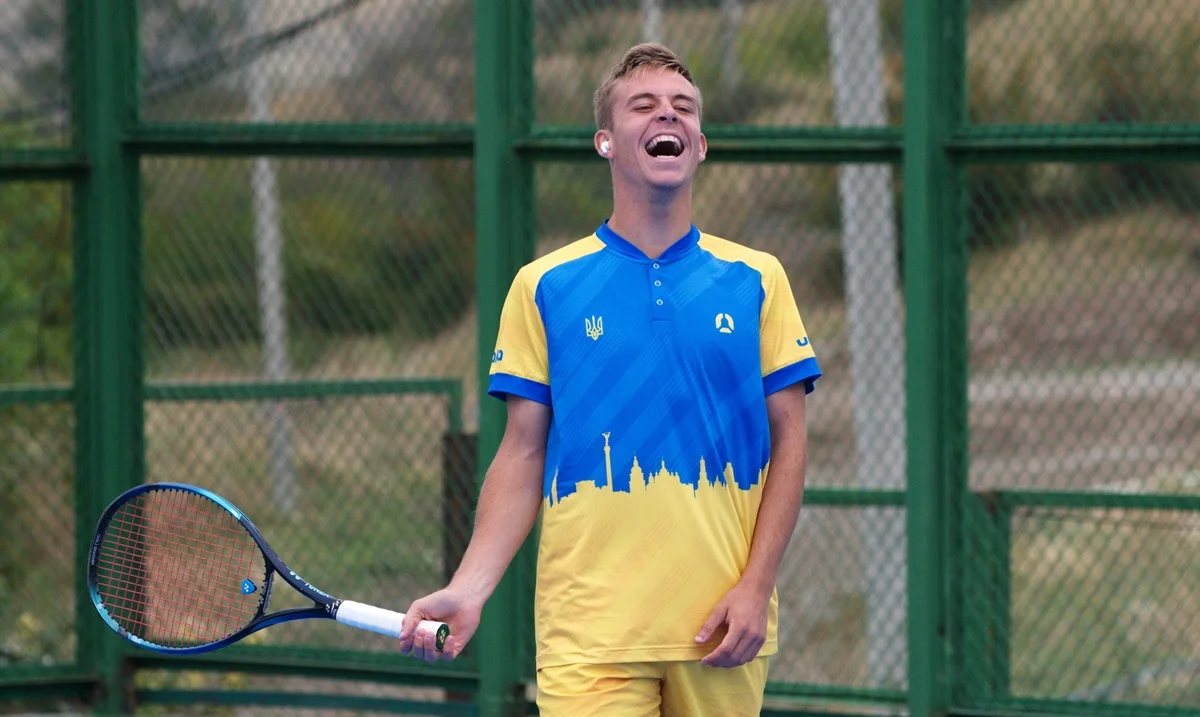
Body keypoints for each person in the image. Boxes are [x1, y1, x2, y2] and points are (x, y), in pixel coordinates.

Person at [398, 42, 820, 717]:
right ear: (605, 141)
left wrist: (757, 584)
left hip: (718, 629)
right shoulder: (543, 287)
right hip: (586, 634)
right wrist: (470, 585)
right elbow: (523, 451)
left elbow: (791, 442)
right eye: (644, 105)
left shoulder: (759, 279)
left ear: (701, 144)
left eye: (684, 108)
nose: (668, 117)